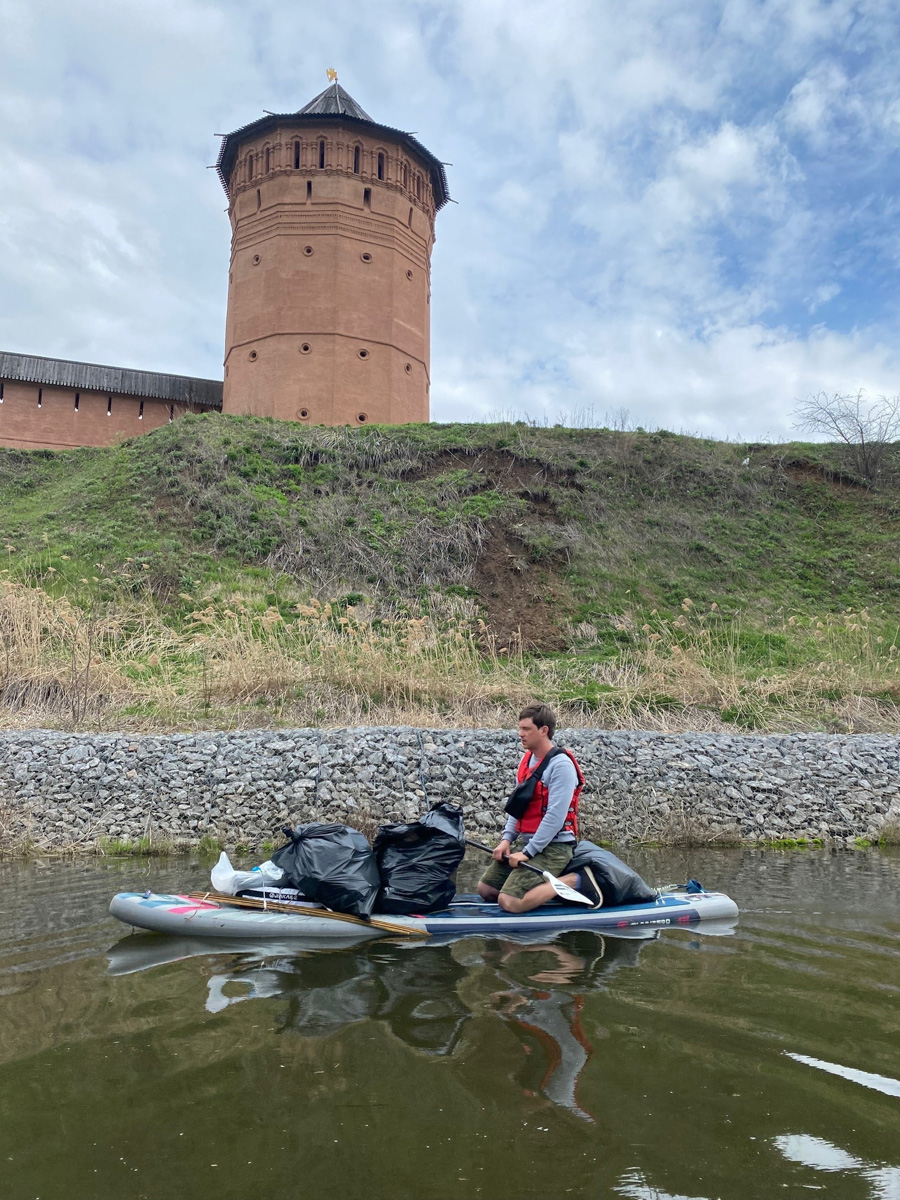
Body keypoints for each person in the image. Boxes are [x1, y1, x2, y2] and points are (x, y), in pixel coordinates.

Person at [477, 703, 602, 913]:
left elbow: (555, 816)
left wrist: (527, 852)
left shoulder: (561, 766)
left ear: (544, 730)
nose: (520, 734)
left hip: (555, 848)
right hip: (531, 844)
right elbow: (518, 806)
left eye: (526, 729)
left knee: (509, 902)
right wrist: (506, 840)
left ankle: (574, 881)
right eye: (520, 729)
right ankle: (538, 890)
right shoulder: (526, 761)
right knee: (486, 889)